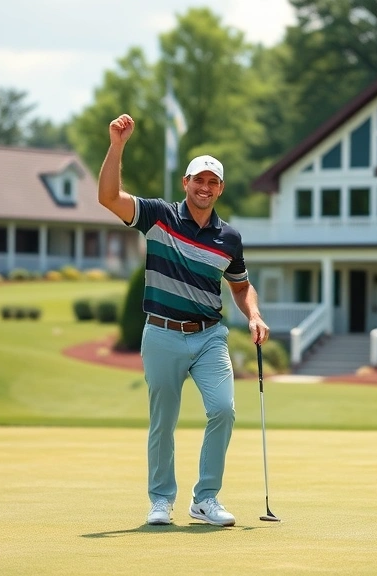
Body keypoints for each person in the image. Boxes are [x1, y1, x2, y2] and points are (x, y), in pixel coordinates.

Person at [97, 113, 270, 527]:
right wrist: (117, 145)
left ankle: (205, 498)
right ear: (186, 183)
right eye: (199, 180)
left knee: (224, 410)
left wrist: (255, 315)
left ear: (220, 188)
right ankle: (161, 501)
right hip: (162, 334)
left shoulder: (230, 238)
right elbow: (108, 197)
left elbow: (241, 286)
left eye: (213, 182)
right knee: (164, 422)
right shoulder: (159, 216)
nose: (205, 188)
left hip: (210, 336)